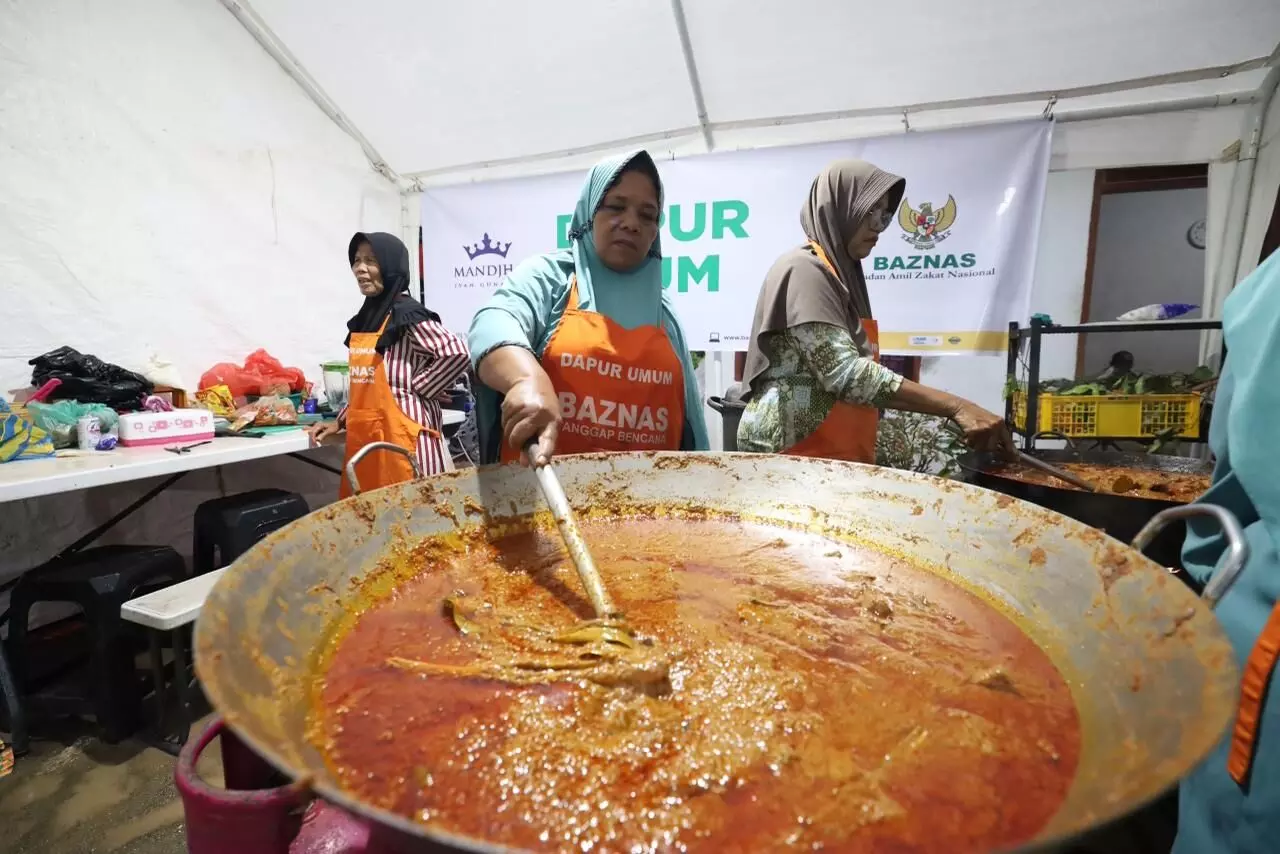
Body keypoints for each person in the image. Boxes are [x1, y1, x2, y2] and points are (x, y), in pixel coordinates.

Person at [737, 159, 1010, 461]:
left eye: (885, 216)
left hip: (831, 456)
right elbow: (846, 374)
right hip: (788, 456)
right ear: (839, 207)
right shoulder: (804, 269)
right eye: (869, 213)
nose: (878, 227)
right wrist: (956, 406)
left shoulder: (843, 277)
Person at [467, 150, 709, 466]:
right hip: (538, 501)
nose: (632, 223)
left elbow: (692, 431)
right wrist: (525, 379)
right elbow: (493, 322)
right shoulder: (550, 278)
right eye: (616, 207)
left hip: (648, 507)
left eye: (647, 215)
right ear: (589, 212)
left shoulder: (663, 311)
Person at [1173, 248, 1280, 854]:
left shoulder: (1267, 288)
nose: (877, 232)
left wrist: (1207, 585)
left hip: (1252, 609)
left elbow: (1227, 488)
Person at [310, 232, 470, 495]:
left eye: (371, 261)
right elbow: (366, 383)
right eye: (357, 260)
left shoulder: (407, 314)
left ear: (390, 266)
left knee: (418, 518)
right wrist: (340, 421)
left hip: (406, 438)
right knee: (374, 520)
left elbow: (457, 352)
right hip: (369, 439)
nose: (360, 268)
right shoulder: (366, 318)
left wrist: (419, 388)